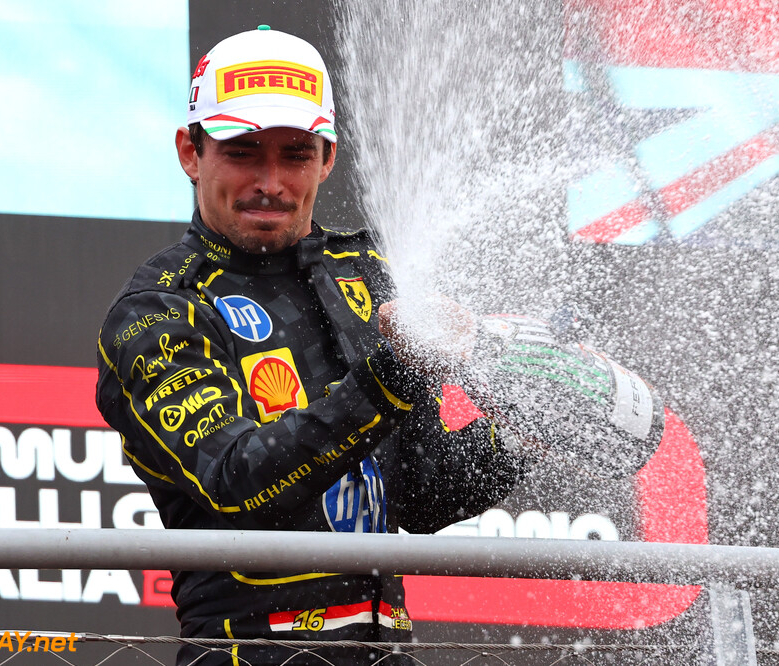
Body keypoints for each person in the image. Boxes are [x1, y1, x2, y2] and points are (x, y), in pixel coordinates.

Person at [95, 26, 525, 666]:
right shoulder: (159, 310)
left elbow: (423, 494)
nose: (270, 180)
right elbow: (237, 485)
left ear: (326, 158)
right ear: (191, 152)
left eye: (295, 154)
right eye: (242, 151)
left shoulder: (368, 272)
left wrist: (524, 429)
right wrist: (391, 375)